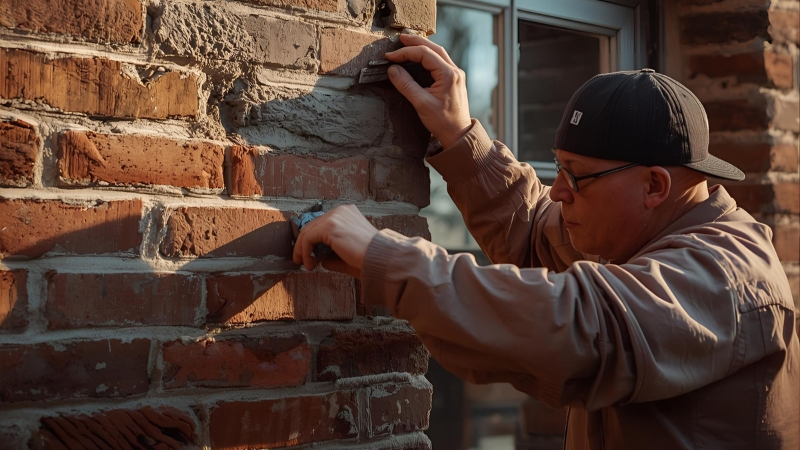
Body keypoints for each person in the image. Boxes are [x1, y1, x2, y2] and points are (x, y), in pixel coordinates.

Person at [293, 34, 799, 449]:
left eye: (577, 176)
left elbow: (577, 328)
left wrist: (384, 256)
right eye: (558, 168)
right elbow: (536, 231)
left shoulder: (726, 280)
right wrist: (460, 134)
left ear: (653, 186)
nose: (558, 191)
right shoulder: (639, 236)